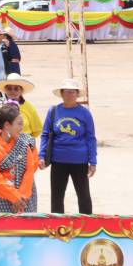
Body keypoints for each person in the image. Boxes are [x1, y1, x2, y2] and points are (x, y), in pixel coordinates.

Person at [39, 79, 97, 214]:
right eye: (66, 92)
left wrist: (92, 161)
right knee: (57, 196)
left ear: (77, 94)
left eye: (72, 92)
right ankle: (57, 226)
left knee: (83, 196)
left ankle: (87, 224)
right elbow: (45, 134)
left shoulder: (85, 113)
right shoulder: (54, 111)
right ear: (61, 93)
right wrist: (41, 155)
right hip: (58, 160)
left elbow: (91, 138)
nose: (69, 95)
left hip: (79, 160)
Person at [0, 104, 38, 213]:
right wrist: (14, 197)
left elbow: (30, 170)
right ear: (7, 125)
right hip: (0, 197)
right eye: (19, 124)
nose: (21, 128)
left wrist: (22, 197)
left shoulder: (23, 143)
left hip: (24, 198)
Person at [0, 73, 41, 139]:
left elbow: (37, 129)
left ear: (21, 91)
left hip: (24, 145)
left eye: (16, 89)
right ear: (5, 90)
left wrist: (27, 141)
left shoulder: (29, 107)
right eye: (9, 88)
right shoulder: (0, 106)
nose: (12, 91)